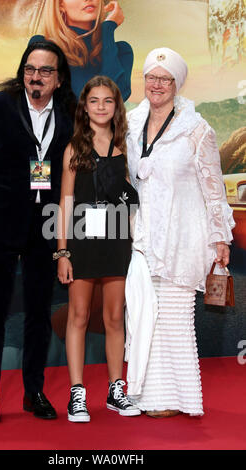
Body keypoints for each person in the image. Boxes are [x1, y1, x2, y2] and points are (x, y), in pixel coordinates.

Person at [0, 40, 76, 423]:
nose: (35, 77)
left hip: (45, 226)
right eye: (30, 69)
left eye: (45, 71)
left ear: (58, 79)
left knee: (39, 312)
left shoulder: (69, 111)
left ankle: (34, 391)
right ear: (22, 71)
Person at [125, 47, 235, 417]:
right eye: (151, 77)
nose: (156, 85)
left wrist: (221, 238)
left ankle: (176, 398)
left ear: (177, 84)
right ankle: (143, 394)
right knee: (143, 315)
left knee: (173, 316)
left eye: (165, 78)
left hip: (183, 238)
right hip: (141, 239)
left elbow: (214, 187)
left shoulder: (197, 129)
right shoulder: (129, 123)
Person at [55, 75, 140, 422]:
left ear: (116, 106)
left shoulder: (127, 147)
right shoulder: (74, 148)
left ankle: (115, 390)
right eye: (94, 101)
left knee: (115, 318)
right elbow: (65, 202)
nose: (101, 107)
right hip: (82, 243)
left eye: (108, 101)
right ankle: (77, 394)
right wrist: (62, 253)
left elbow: (135, 199)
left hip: (119, 242)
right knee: (78, 316)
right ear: (84, 106)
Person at [29, 0, 133, 101]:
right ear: (60, 4)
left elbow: (113, 99)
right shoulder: (42, 47)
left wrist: (107, 28)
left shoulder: (122, 51)